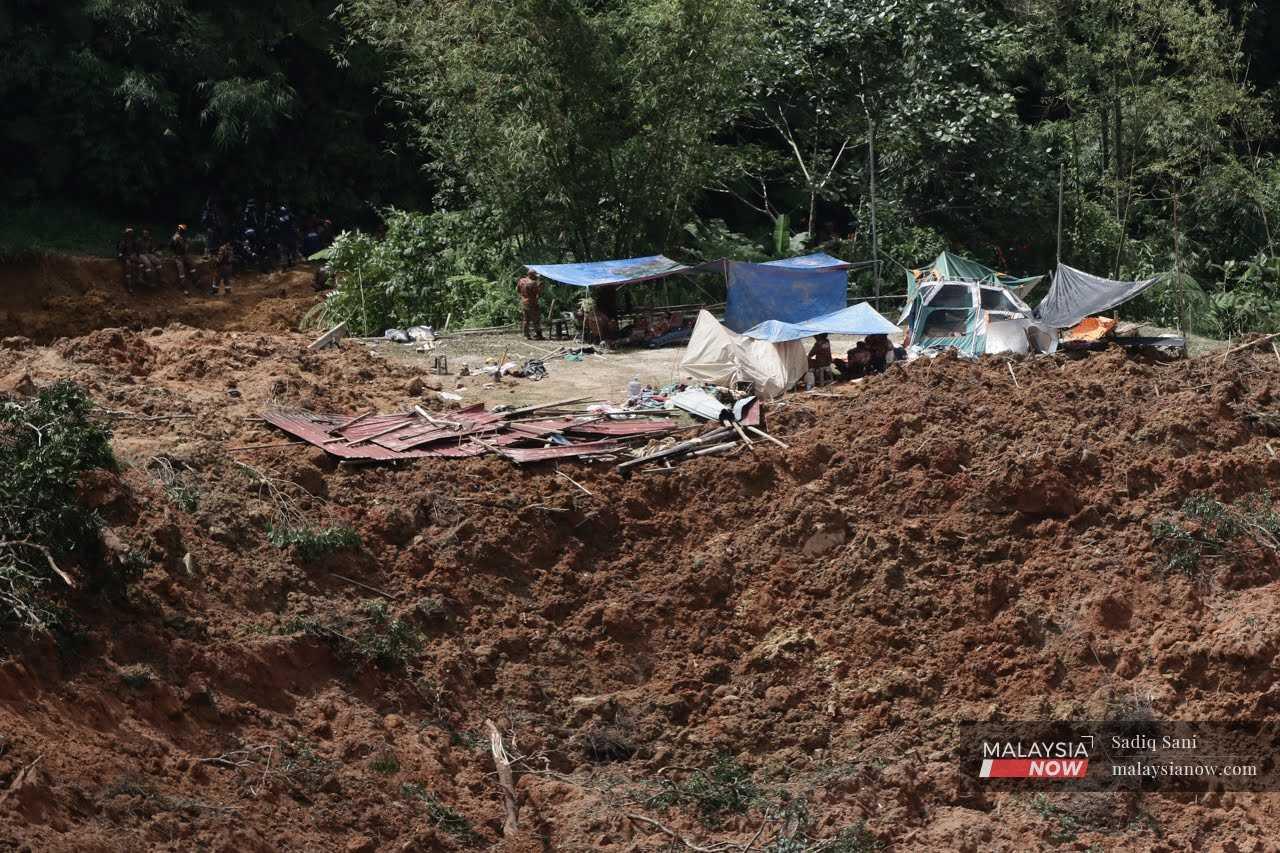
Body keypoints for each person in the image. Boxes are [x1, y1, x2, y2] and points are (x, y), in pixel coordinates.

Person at [516, 270, 543, 340]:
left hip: (524, 302)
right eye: (535, 276)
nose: (536, 278)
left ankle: (526, 335)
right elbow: (538, 294)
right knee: (536, 319)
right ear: (531, 275)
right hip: (532, 303)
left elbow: (518, 290)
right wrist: (540, 287)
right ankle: (538, 335)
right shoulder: (533, 283)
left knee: (526, 319)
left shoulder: (521, 280)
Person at [171, 224, 195, 295]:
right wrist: (175, 242)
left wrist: (187, 244)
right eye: (181, 229)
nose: (182, 231)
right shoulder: (176, 236)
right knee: (181, 271)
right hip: (178, 256)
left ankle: (194, 281)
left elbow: (187, 245)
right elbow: (171, 245)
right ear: (179, 229)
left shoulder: (184, 236)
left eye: (183, 230)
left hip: (184, 255)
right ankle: (184, 288)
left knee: (192, 265)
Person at [117, 227, 138, 293]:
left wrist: (135, 255)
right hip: (126, 257)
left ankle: (140, 280)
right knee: (128, 267)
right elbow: (120, 253)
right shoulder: (123, 241)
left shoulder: (133, 241)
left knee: (137, 265)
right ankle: (129, 286)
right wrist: (125, 257)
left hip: (133, 257)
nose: (130, 234)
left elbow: (136, 250)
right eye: (129, 233)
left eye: (131, 233)